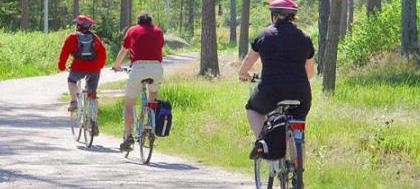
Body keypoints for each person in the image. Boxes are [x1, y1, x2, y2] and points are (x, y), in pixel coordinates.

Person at [238, 0, 315, 156]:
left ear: (273, 15)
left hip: (270, 91)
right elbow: (310, 72)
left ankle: (265, 142)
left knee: (252, 109)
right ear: (293, 17)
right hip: (300, 93)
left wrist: (246, 75)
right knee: (297, 126)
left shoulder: (264, 35)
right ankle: (297, 173)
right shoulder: (305, 38)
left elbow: (246, 66)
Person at [111, 13, 164, 151]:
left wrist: (116, 65)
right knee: (153, 94)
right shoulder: (158, 31)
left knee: (129, 104)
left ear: (138, 21)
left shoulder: (133, 30)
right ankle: (150, 122)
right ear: (150, 21)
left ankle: (128, 136)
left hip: (139, 67)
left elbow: (124, 50)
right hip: (156, 68)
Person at [57, 15, 107, 136]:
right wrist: (98, 66)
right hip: (94, 68)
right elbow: (103, 53)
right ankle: (93, 119)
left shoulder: (72, 37)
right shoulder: (95, 38)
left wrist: (62, 66)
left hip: (78, 67)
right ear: (89, 26)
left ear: (78, 26)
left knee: (72, 80)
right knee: (92, 93)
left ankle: (74, 101)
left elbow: (64, 53)